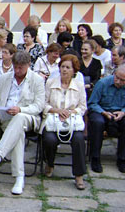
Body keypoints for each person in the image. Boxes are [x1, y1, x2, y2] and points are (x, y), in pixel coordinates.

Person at [0, 51, 45, 195]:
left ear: (28, 65)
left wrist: (20, 109)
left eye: (21, 68)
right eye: (16, 67)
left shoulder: (37, 80)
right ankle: (19, 177)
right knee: (17, 134)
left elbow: (39, 106)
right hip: (7, 118)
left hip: (29, 118)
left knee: (19, 118)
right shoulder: (6, 77)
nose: (18, 71)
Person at [41, 54, 87, 190]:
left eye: (68, 67)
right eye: (62, 67)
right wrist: (56, 110)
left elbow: (83, 107)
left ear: (74, 70)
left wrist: (70, 112)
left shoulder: (79, 85)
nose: (64, 70)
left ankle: (79, 175)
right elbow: (43, 104)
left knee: (79, 140)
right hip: (53, 120)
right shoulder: (50, 83)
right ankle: (49, 163)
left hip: (72, 121)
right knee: (49, 139)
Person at [88, 64, 125, 173]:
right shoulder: (103, 83)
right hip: (102, 110)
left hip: (119, 111)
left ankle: (122, 159)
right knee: (97, 123)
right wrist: (104, 112)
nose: (118, 81)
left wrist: (123, 112)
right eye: (116, 77)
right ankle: (95, 158)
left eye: (122, 80)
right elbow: (92, 103)